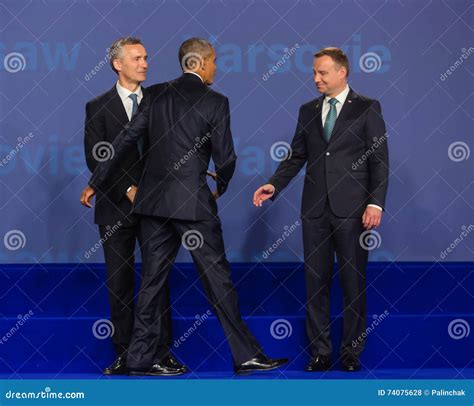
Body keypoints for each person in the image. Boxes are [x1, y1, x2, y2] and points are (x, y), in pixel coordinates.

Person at [81, 38, 288, 376]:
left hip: (153, 206)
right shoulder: (216, 101)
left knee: (151, 283)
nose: (216, 68)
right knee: (217, 279)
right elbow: (226, 157)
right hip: (192, 204)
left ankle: (139, 359)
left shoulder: (156, 94)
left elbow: (124, 141)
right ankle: (246, 354)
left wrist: (97, 180)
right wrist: (220, 185)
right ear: (202, 62)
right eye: (215, 62)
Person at [253, 47, 389, 372]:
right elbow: (296, 156)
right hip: (314, 210)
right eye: (314, 73)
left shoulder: (368, 108)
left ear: (342, 72)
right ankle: (321, 353)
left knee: (353, 283)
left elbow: (379, 160)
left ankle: (352, 354)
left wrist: (375, 202)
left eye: (322, 73)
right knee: (316, 283)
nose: (316, 79)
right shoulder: (308, 110)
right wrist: (274, 184)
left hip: (353, 210)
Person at [83, 37, 179, 375]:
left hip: (157, 208)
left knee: (157, 282)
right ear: (117, 64)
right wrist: (127, 188)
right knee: (120, 282)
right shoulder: (97, 107)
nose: (145, 63)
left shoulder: (162, 103)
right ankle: (125, 353)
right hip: (114, 208)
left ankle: (161, 353)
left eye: (146, 57)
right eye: (137, 58)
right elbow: (97, 155)